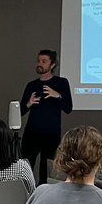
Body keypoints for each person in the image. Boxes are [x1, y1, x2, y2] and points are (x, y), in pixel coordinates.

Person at [19, 49, 73, 185]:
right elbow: (20, 111)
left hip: (51, 134)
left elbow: (68, 108)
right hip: (31, 133)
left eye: (44, 61)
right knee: (25, 167)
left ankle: (43, 197)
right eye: (39, 61)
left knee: (46, 170)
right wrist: (29, 103)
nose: (40, 64)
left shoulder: (61, 83)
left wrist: (58, 95)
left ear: (52, 65)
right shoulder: (32, 85)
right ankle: (25, 195)